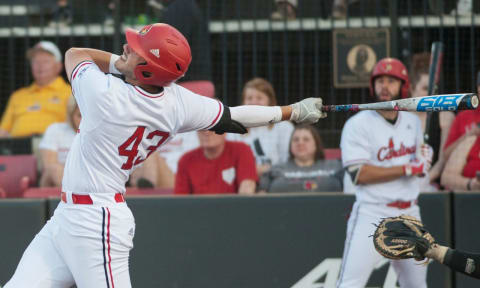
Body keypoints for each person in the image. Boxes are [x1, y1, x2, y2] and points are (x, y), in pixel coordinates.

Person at [4, 23, 327, 288]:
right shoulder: (177, 103)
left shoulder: (104, 96)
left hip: (97, 221)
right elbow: (234, 115)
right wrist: (292, 111)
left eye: (136, 51)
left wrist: (119, 64)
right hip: (66, 216)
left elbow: (76, 53)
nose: (127, 48)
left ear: (147, 69)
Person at [337, 58, 433, 288]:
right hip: (372, 213)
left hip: (410, 213)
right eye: (380, 80)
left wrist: (424, 160)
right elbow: (359, 174)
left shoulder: (413, 122)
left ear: (403, 86)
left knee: (417, 286)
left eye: (391, 80)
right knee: (350, 284)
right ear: (373, 86)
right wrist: (408, 168)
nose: (385, 86)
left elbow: (418, 170)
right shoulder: (357, 124)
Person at [0, 41, 71, 138]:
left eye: (46, 61)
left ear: (58, 66)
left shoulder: (71, 93)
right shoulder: (18, 95)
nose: (40, 66)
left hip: (55, 148)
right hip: (18, 148)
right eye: (35, 61)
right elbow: (3, 130)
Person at [227, 77, 294, 176]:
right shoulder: (233, 126)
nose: (254, 102)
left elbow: (288, 160)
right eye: (249, 98)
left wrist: (267, 171)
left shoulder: (284, 127)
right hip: (242, 179)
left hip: (275, 180)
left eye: (259, 98)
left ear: (270, 101)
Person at [409, 52, 454, 190]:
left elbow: (442, 161)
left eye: (432, 89)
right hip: (403, 181)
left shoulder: (445, 116)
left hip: (432, 184)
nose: (429, 95)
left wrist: (423, 181)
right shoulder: (401, 118)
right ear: (411, 89)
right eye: (424, 89)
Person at [259, 124, 343, 193]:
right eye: (296, 140)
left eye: (306, 139)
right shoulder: (275, 169)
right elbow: (261, 198)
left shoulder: (336, 167)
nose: (300, 143)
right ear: (290, 145)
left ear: (316, 145)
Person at [175, 130, 257, 195]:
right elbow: (180, 202)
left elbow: (247, 189)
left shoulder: (241, 150)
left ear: (225, 130)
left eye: (213, 127)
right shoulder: (185, 160)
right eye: (201, 127)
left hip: (233, 212)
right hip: (199, 214)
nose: (207, 132)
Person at [38, 95, 81, 187]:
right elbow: (49, 165)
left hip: (88, 179)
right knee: (55, 169)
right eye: (79, 115)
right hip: (55, 182)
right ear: (71, 114)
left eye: (87, 115)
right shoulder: (55, 129)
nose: (83, 120)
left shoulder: (100, 133)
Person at [442, 71, 480, 161]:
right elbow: (446, 156)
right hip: (461, 172)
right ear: (478, 89)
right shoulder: (464, 116)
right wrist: (469, 135)